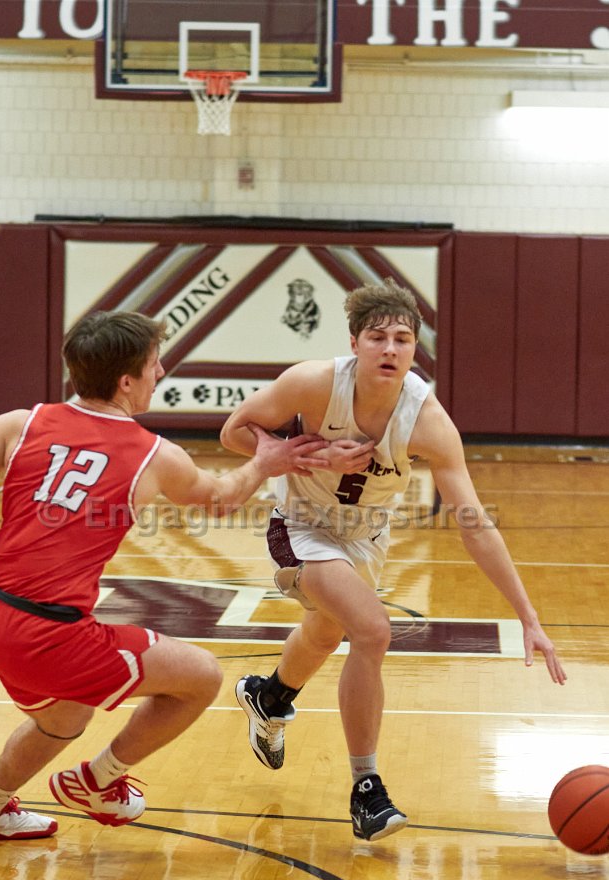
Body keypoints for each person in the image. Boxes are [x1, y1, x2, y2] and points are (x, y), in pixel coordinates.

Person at [0, 309, 328, 841]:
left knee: (63, 718)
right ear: (126, 381)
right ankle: (98, 781)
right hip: (51, 635)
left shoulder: (20, 423)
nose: (160, 372)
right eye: (154, 363)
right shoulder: (153, 454)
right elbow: (220, 498)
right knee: (201, 677)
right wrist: (265, 462)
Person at [220, 279, 567, 843]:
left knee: (325, 632)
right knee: (372, 629)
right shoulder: (312, 383)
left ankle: (270, 695)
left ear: (413, 349)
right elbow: (234, 431)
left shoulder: (427, 420)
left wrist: (528, 616)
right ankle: (367, 790)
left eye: (402, 339)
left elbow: (474, 525)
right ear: (354, 343)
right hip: (301, 525)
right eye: (377, 337)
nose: (389, 349)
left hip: (366, 537)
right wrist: (304, 456)